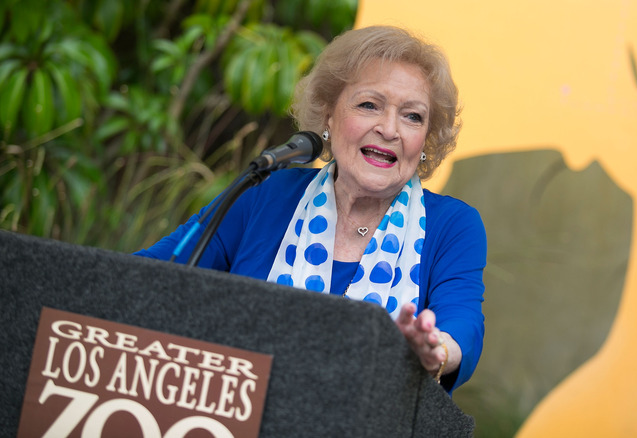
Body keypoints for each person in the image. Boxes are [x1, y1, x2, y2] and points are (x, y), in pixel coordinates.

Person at [135, 25, 486, 393]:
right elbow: (151, 273)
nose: (389, 129)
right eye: (369, 105)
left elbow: (461, 322)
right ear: (328, 116)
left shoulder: (453, 225)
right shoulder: (266, 193)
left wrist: (439, 352)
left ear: (426, 140)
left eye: (412, 116)